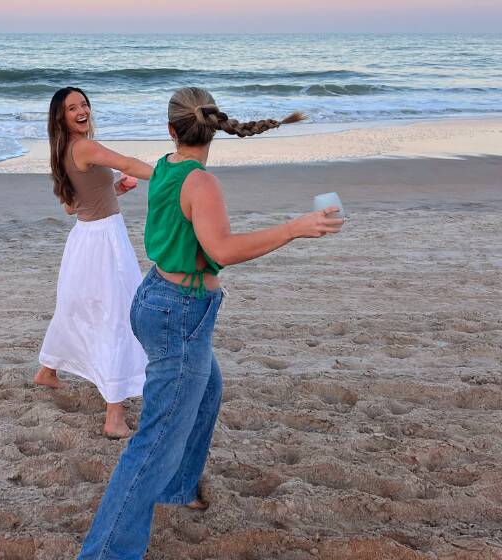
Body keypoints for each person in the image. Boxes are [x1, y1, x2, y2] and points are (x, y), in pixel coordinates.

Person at [78, 87, 344, 558]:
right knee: (155, 439)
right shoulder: (200, 183)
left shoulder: (166, 166)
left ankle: (178, 488)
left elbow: (141, 172)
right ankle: (104, 553)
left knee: (206, 393)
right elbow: (221, 251)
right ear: (214, 128)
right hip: (179, 311)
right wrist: (294, 228)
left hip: (156, 300)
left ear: (171, 130)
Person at [35, 87, 154, 439]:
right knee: (117, 315)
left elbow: (72, 207)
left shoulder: (61, 151)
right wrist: (173, 175)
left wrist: (113, 191)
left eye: (84, 104)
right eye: (73, 108)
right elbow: (128, 163)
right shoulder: (85, 147)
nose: (82, 110)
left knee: (76, 309)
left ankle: (48, 371)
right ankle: (114, 416)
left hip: (84, 239)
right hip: (104, 241)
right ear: (62, 117)